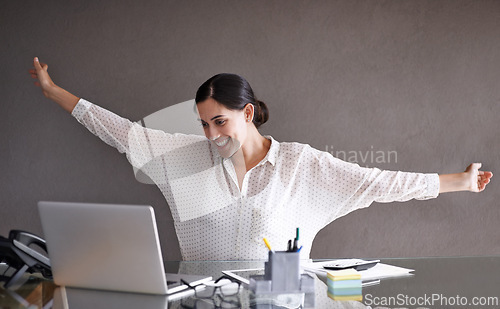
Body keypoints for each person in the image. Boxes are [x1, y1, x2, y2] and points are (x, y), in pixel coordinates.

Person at [29, 57, 492, 261]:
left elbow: (375, 182)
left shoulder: (300, 165)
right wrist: (53, 93)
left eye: (220, 121)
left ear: (248, 113)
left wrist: (459, 181)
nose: (211, 134)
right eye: (204, 123)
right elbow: (123, 132)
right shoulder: (183, 156)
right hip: (199, 301)